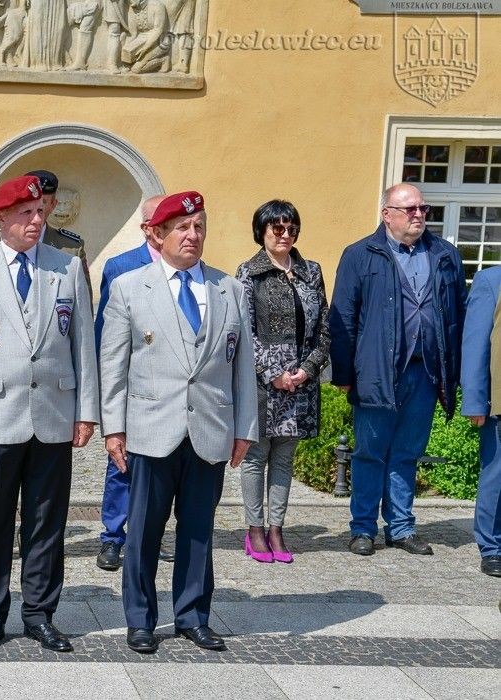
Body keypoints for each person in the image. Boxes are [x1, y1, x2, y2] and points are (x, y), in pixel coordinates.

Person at [100, 190, 257, 654]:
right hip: (150, 430)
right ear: (158, 233)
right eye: (183, 228)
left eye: (200, 227)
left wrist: (245, 427)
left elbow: (242, 366)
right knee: (144, 532)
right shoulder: (130, 287)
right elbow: (113, 364)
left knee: (197, 531)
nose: (193, 235)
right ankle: (141, 619)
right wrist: (114, 428)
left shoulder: (229, 290)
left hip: (209, 430)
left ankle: (192, 615)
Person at [0, 174, 99, 653]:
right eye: (25, 214)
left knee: (46, 520)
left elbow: (83, 346)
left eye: (40, 213)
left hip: (53, 411)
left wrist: (86, 410)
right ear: (0, 219)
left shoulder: (65, 268)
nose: (37, 221)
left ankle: (39, 613)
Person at [330, 183, 465, 557]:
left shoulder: (445, 255)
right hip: (375, 372)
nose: (419, 214)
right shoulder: (360, 255)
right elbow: (343, 318)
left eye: (423, 208)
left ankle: (402, 527)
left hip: (425, 372)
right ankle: (362, 528)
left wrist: (455, 373)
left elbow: (457, 317)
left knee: (407, 452)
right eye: (409, 209)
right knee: (370, 452)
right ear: (386, 214)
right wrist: (343, 375)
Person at [235, 200, 330, 564]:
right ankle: (255, 529)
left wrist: (307, 369)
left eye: (292, 228)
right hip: (263, 383)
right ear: (262, 231)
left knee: (285, 458)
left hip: (301, 383)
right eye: (278, 228)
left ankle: (277, 528)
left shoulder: (311, 271)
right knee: (256, 456)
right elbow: (244, 330)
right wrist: (272, 372)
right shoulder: (249, 272)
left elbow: (325, 326)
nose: (286, 235)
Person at [93, 194, 175, 571]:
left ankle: (152, 534)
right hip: (132, 385)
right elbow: (106, 334)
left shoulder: (187, 268)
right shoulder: (121, 267)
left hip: (171, 389)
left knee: (163, 465)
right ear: (147, 227)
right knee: (122, 463)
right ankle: (112, 536)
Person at [0, 170, 89, 285]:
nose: (36, 218)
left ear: (53, 205)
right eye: (27, 210)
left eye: (42, 205)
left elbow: (82, 301)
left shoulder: (71, 248)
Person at [458, 266, 501, 578]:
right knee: (497, 475)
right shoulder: (491, 281)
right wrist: (475, 399)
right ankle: (492, 546)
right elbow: (475, 346)